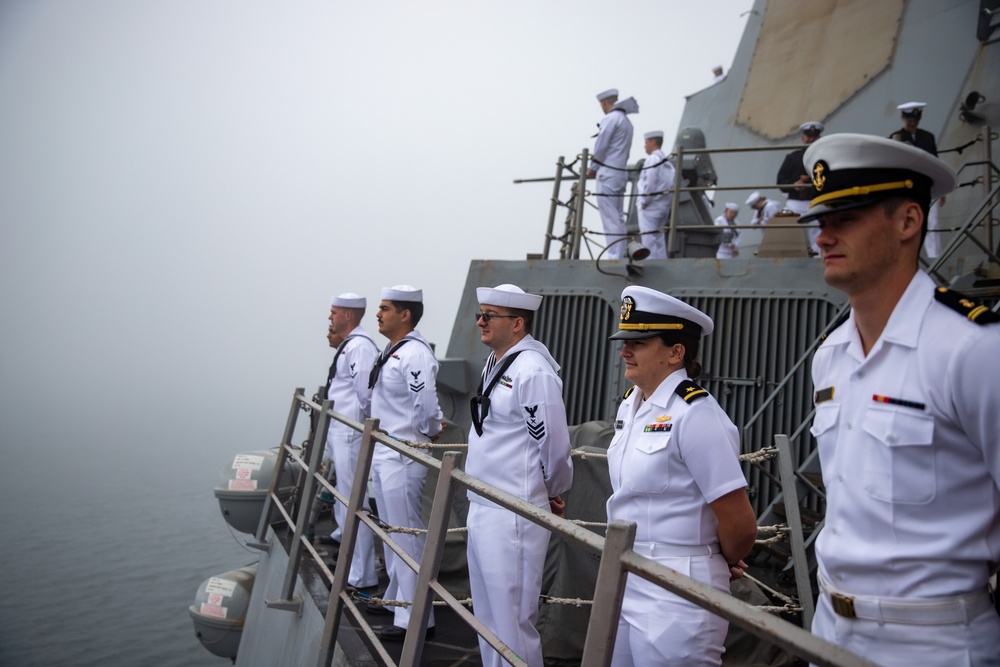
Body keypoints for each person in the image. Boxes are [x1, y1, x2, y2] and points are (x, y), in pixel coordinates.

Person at [799, 133, 1000, 665]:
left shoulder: (972, 350)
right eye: (821, 222)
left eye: (847, 219)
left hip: (933, 641)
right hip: (828, 630)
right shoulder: (831, 356)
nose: (824, 237)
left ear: (908, 222)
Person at [606, 286, 757, 666]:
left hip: (680, 588)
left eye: (639, 342)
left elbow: (739, 523)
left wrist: (713, 559)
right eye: (626, 341)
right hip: (628, 572)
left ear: (676, 353)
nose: (625, 350)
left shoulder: (697, 414)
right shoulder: (632, 405)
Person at [465, 284, 574, 667]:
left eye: (488, 315)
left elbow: (555, 448)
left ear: (517, 323)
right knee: (489, 621)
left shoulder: (532, 371)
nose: (480, 321)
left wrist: (551, 492)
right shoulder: (498, 362)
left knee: (512, 624)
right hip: (483, 503)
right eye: (481, 313)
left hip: (513, 511)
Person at [368, 284, 445, 641]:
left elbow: (426, 405)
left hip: (404, 453)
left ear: (405, 315)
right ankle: (398, 603)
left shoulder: (414, 354)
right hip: (386, 450)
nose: (378, 314)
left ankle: (416, 621)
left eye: (385, 308)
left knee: (407, 536)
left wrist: (428, 432)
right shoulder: (392, 350)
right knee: (394, 534)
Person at [318, 292, 380, 591]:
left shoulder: (360, 348)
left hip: (351, 433)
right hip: (341, 432)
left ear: (349, 316)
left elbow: (366, 395)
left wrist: (361, 429)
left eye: (334, 312)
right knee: (345, 500)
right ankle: (351, 563)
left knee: (355, 502)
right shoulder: (350, 346)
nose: (330, 318)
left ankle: (362, 574)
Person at [889, 101, 947, 258]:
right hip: (907, 188)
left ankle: (935, 259)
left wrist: (942, 189)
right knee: (907, 224)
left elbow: (935, 162)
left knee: (932, 224)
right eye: (910, 121)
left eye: (915, 121)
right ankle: (908, 258)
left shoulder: (928, 137)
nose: (912, 124)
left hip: (928, 186)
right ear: (902, 118)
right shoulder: (896, 139)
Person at [587, 88, 635, 260]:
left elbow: (601, 146)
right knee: (618, 218)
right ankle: (621, 252)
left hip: (606, 174)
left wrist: (592, 167)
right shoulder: (627, 123)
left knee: (610, 218)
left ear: (605, 103)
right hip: (620, 174)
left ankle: (615, 255)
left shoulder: (610, 118)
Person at [776, 121, 824, 254]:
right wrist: (794, 185)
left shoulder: (823, 158)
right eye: (808, 137)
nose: (811, 140)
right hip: (795, 204)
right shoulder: (792, 158)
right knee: (789, 235)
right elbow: (781, 181)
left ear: (819, 139)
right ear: (803, 138)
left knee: (818, 237)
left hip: (815, 202)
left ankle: (818, 261)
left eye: (814, 137)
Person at [636, 131, 674, 260]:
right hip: (662, 205)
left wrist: (644, 202)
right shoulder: (667, 162)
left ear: (652, 142)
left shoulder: (653, 159)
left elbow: (650, 182)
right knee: (659, 239)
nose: (644, 146)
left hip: (651, 206)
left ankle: (650, 265)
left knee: (649, 239)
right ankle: (661, 263)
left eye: (646, 142)